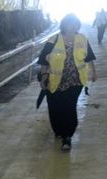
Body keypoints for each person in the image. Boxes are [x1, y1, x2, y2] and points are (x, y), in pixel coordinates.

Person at [37, 14, 96, 151]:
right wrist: (44, 76)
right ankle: (59, 130)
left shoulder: (82, 39)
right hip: (55, 81)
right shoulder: (54, 40)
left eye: (75, 24)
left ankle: (67, 136)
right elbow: (43, 61)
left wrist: (93, 71)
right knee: (55, 108)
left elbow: (89, 58)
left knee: (69, 107)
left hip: (75, 81)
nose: (72, 27)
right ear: (64, 25)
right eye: (70, 24)